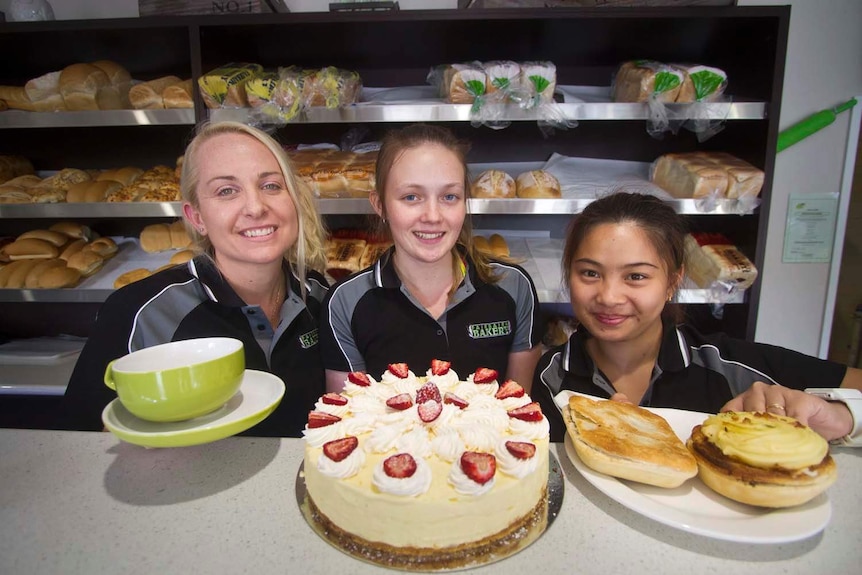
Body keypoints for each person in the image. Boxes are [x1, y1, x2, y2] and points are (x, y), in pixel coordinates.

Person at [63, 121, 329, 437]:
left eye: (271, 185)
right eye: (226, 191)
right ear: (197, 217)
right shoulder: (141, 313)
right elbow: (78, 443)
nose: (256, 207)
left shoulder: (321, 298)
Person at [533, 192, 862, 443]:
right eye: (590, 273)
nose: (608, 297)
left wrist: (839, 416)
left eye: (636, 277)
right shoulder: (550, 378)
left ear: (673, 281)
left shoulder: (729, 367)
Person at [319, 124, 543, 392]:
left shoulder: (512, 286)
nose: (433, 216)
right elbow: (349, 419)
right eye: (411, 197)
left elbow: (519, 409)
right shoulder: (345, 303)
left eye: (449, 196)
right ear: (380, 205)